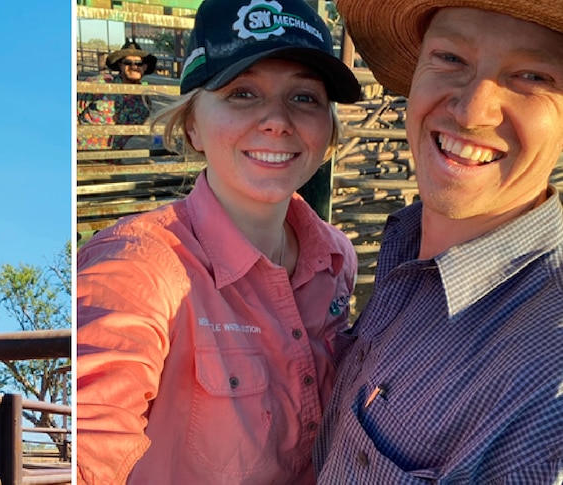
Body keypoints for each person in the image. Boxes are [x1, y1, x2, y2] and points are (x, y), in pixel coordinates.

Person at [77, 0, 361, 482]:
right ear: (192, 125)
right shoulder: (136, 269)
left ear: (327, 131)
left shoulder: (334, 259)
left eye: (305, 98)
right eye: (242, 93)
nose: (276, 120)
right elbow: (92, 431)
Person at [313, 1, 563, 482]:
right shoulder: (410, 250)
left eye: (532, 76)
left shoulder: (548, 377)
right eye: (450, 58)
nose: (472, 111)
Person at [77, 40, 156, 152]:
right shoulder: (98, 85)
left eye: (139, 63)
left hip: (113, 161)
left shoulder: (144, 103)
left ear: (145, 67)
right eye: (128, 62)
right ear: (120, 64)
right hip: (83, 155)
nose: (134, 67)